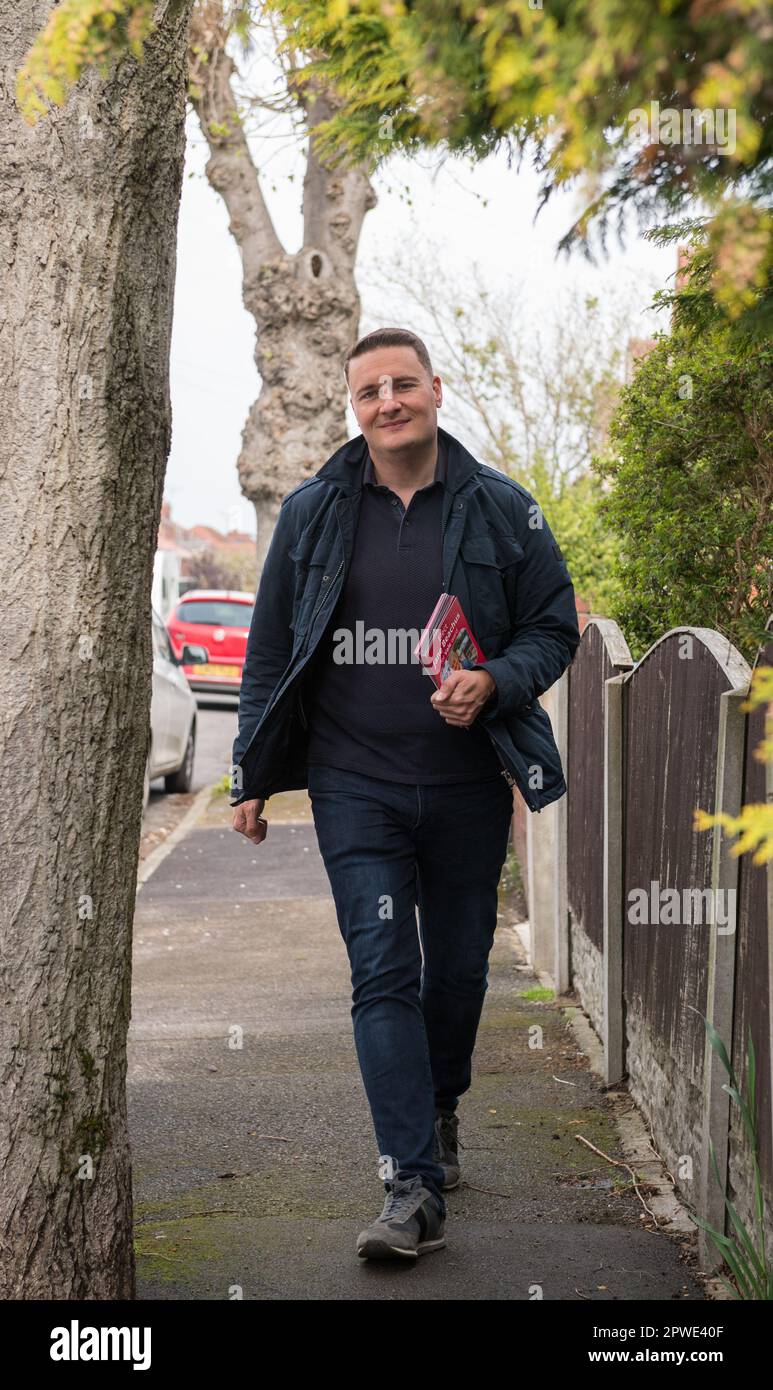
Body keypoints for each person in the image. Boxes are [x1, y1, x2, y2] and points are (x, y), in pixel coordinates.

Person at [231, 327, 581, 1262]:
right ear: (355, 409)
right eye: (368, 393)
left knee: (457, 974)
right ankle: (410, 1185)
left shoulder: (502, 509)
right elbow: (270, 651)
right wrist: (250, 776)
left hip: (467, 785)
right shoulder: (311, 512)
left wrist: (498, 681)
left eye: (401, 386)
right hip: (355, 788)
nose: (386, 403)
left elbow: (556, 627)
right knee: (381, 972)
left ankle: (439, 1107)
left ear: (434, 389)